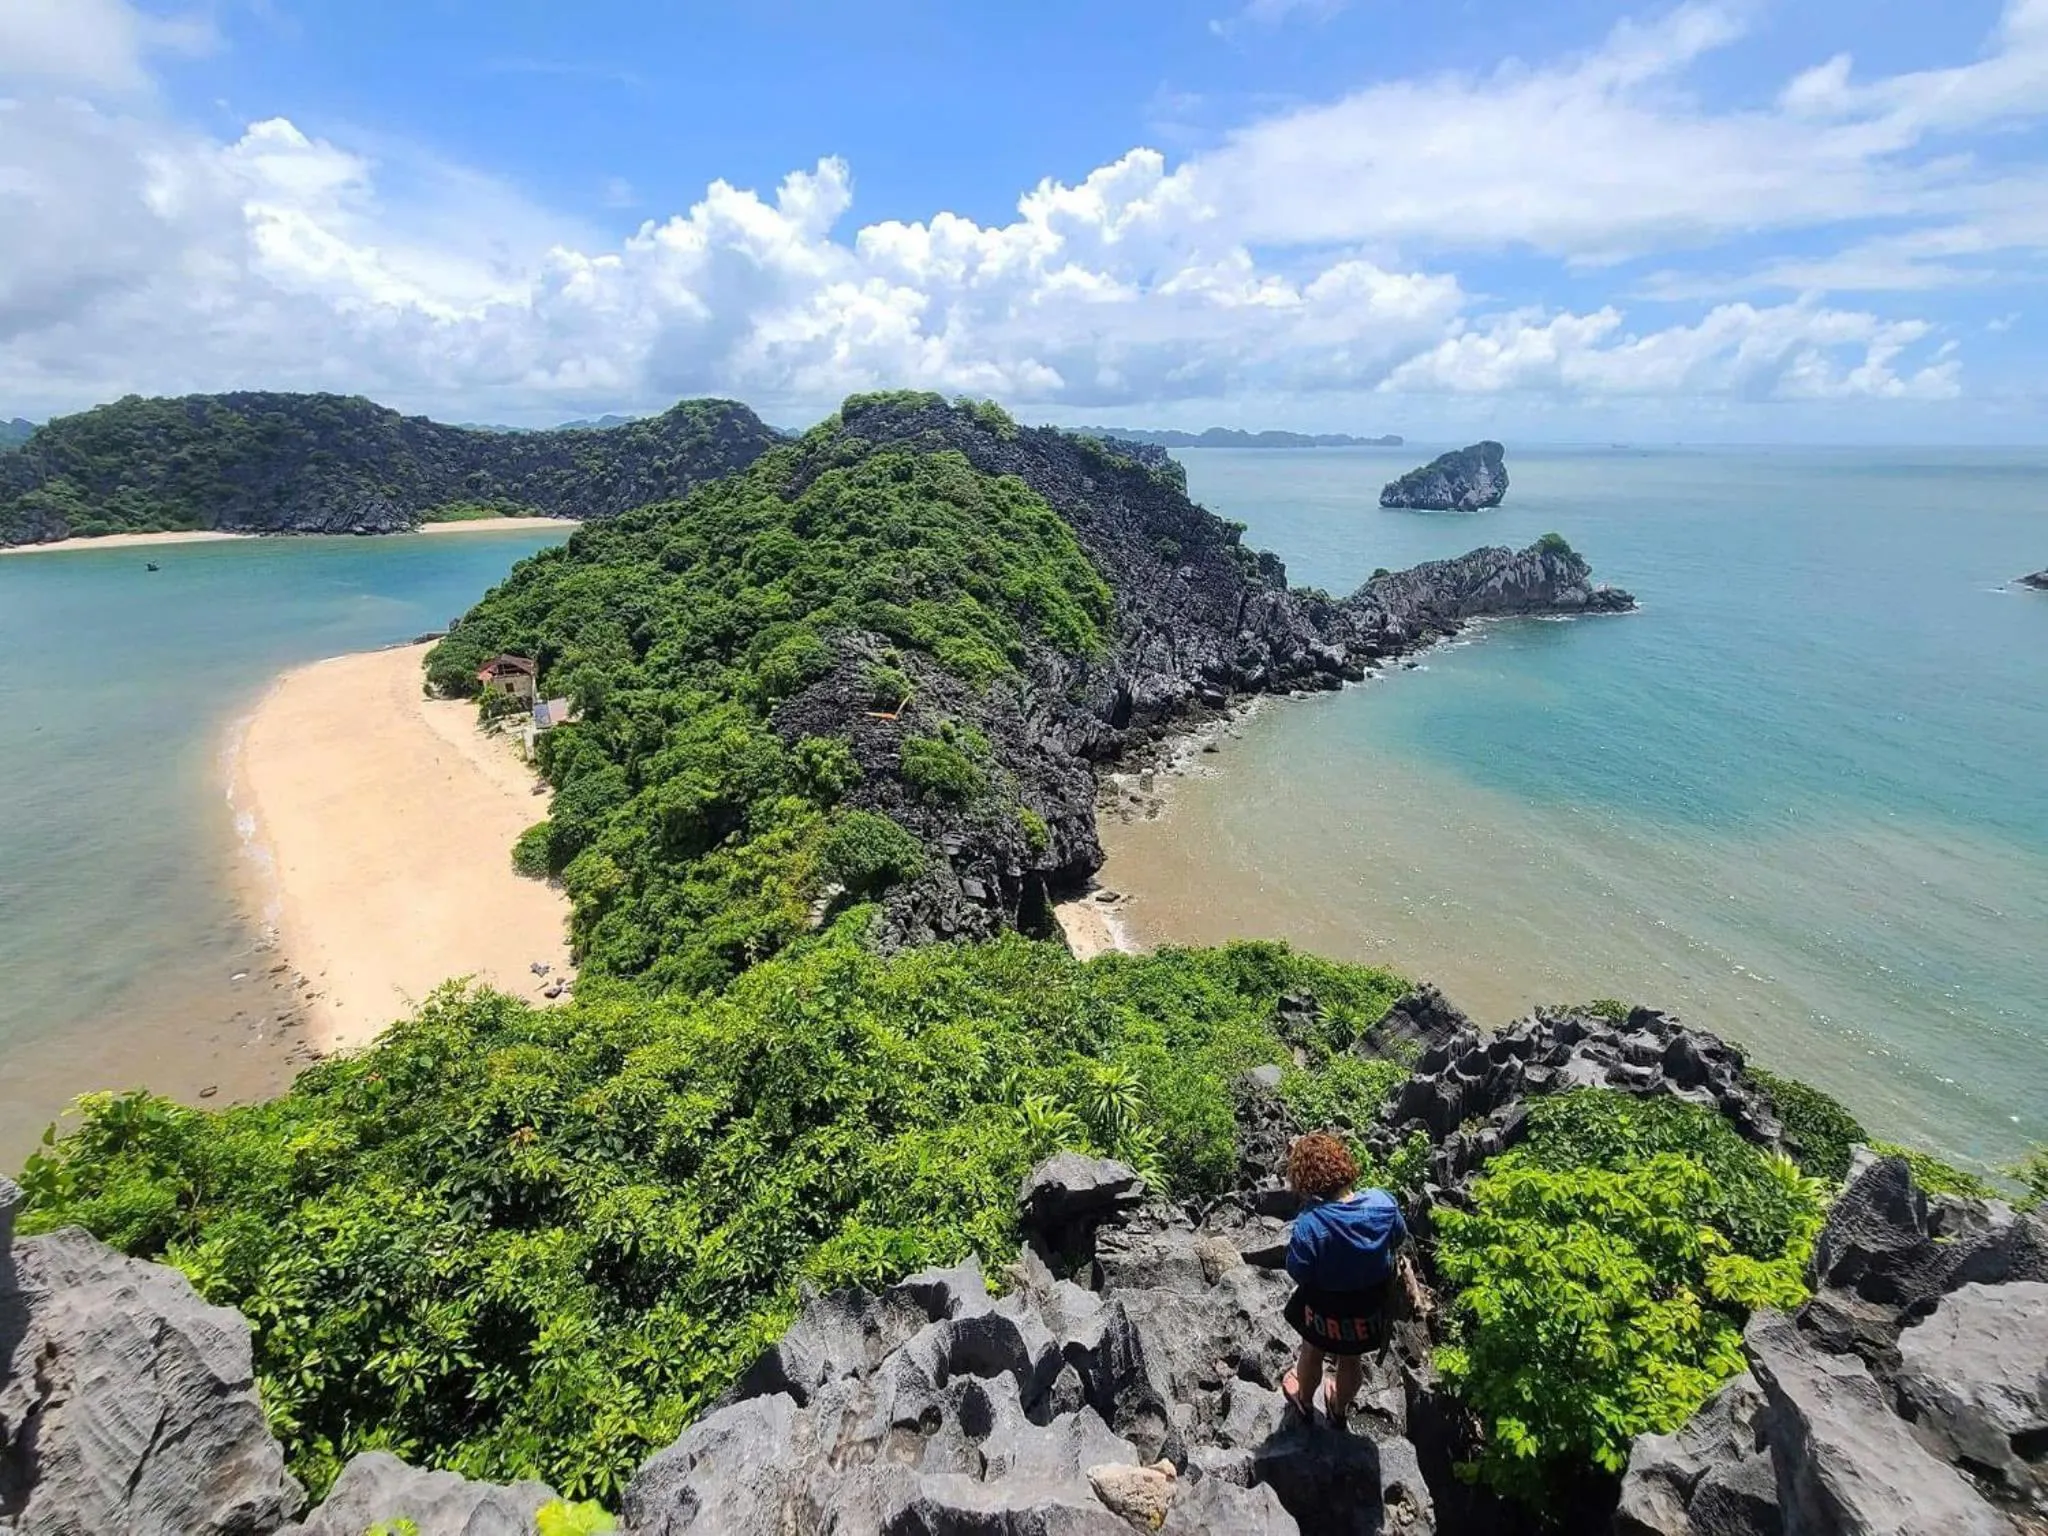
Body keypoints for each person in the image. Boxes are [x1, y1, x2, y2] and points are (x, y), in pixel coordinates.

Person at [1277, 1131, 1406, 1428]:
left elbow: (1298, 1270)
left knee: (1312, 1351)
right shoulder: (1384, 1204)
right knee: (1351, 1360)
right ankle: (1338, 1408)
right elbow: (1398, 1237)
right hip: (1368, 1311)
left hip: (1325, 1312)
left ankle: (1306, 1403)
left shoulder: (1309, 1225)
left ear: (1306, 1182)